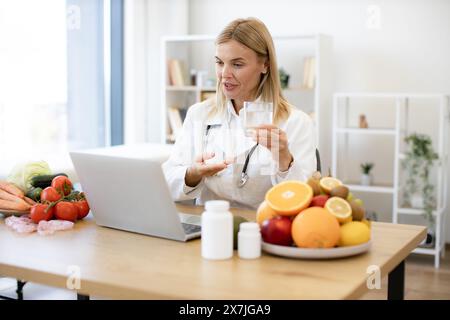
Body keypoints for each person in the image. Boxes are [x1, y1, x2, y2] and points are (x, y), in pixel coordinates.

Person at [162, 17, 317, 210]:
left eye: (237, 64)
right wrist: (193, 173)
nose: (224, 74)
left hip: (264, 230)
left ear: (265, 65)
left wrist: (284, 159)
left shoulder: (296, 122)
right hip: (209, 226)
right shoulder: (199, 114)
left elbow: (302, 197)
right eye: (219, 62)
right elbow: (167, 181)